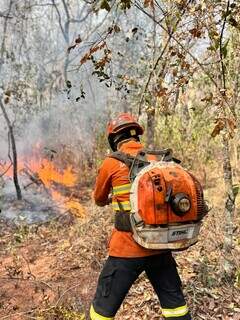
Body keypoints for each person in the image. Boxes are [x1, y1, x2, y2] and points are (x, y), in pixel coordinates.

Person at [90, 113, 191, 320]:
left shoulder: (111, 163)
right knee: (176, 309)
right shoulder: (158, 159)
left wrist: (112, 197)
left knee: (101, 311)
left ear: (115, 139)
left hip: (126, 249)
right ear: (136, 136)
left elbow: (99, 199)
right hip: (158, 246)